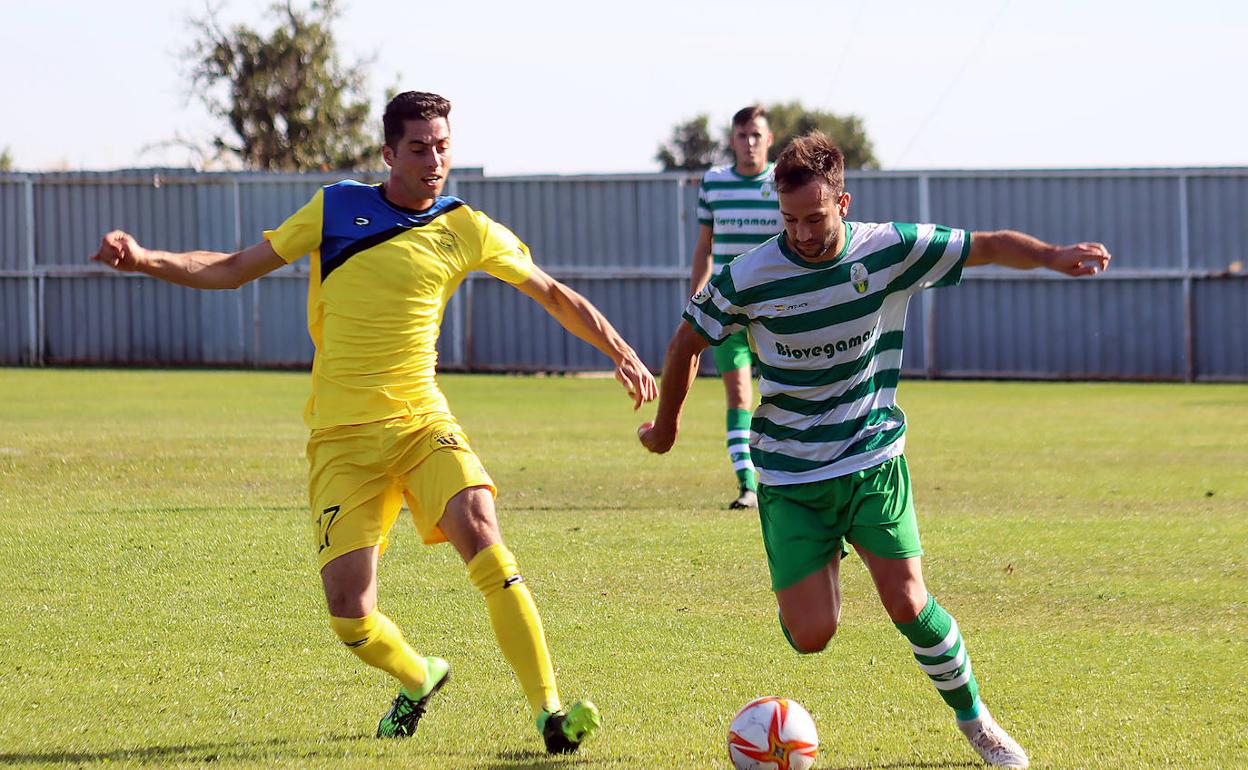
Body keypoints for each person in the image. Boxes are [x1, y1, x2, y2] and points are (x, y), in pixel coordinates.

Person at [92, 90, 657, 754]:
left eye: (443, 146)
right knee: (349, 616)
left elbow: (552, 293)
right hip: (342, 440)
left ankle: (550, 715)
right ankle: (420, 678)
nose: (434, 159)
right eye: (419, 147)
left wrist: (620, 350)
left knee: (484, 533)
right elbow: (235, 267)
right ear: (389, 153)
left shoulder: (466, 226)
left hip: (423, 424)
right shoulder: (336, 208)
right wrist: (147, 259)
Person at [639, 131, 1111, 769]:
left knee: (908, 602)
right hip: (790, 472)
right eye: (789, 220)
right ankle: (809, 580)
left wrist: (1054, 256)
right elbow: (685, 343)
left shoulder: (889, 249)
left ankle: (980, 725)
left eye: (814, 218)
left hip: (871, 456)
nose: (801, 233)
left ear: (843, 201)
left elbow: (989, 245)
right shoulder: (749, 275)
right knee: (812, 635)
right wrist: (666, 428)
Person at [688, 105, 781, 510]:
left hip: (778, 310)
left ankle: (785, 479)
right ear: (732, 140)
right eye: (743, 135)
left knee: (785, 396)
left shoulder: (783, 181)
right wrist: (697, 300)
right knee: (740, 395)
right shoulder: (714, 184)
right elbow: (703, 248)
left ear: (769, 139)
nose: (750, 143)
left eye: (757, 135)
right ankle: (747, 486)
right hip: (727, 308)